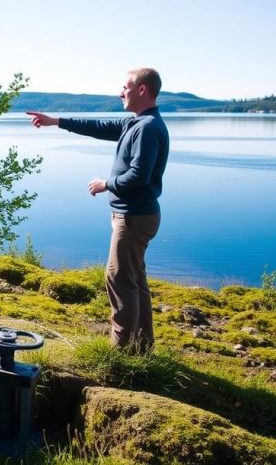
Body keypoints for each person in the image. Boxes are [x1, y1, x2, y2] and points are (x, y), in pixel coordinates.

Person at [26, 67, 169, 352]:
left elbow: (139, 175)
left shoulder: (148, 128)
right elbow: (99, 127)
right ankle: (141, 347)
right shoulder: (136, 123)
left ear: (142, 90)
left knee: (118, 278)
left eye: (125, 87)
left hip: (134, 217)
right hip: (135, 215)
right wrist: (56, 121)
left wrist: (107, 183)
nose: (120, 92)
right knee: (134, 279)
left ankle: (121, 350)